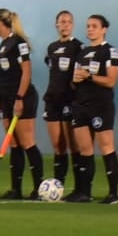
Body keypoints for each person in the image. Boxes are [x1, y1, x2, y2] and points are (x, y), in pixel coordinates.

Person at [0, 7, 45, 199]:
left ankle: (39, 188)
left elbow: (26, 72)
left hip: (22, 98)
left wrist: (20, 98)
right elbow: (4, 78)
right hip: (6, 99)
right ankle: (16, 189)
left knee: (27, 141)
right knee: (14, 143)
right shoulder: (3, 45)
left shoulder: (18, 43)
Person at [68, 14, 118, 203]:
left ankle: (113, 194)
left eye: (94, 26)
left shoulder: (110, 51)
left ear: (104, 29)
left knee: (106, 146)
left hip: (101, 105)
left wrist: (89, 76)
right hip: (81, 104)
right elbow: (76, 80)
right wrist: (75, 81)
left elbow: (111, 80)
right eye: (88, 26)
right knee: (85, 149)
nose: (90, 29)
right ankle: (85, 192)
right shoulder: (82, 53)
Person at [42, 10, 81, 190]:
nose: (65, 25)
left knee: (73, 146)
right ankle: (59, 187)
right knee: (58, 146)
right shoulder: (51, 48)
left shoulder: (78, 47)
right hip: (52, 100)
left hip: (69, 101)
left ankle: (79, 188)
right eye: (62, 22)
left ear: (72, 25)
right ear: (56, 25)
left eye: (68, 22)